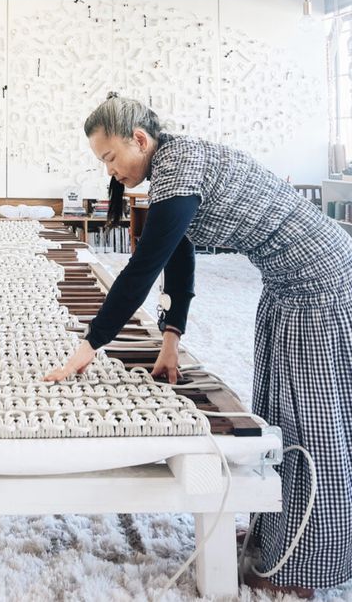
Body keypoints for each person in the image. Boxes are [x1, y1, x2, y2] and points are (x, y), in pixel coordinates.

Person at [45, 93, 352, 598]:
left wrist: (89, 346)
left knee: (311, 418)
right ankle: (274, 533)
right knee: (277, 402)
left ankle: (307, 565)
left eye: (109, 158)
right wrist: (171, 340)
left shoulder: (179, 167)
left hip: (317, 281)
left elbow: (141, 269)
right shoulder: (172, 167)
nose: (111, 170)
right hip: (286, 280)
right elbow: (177, 258)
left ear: (138, 140)